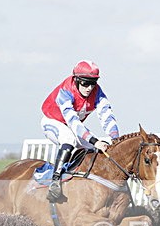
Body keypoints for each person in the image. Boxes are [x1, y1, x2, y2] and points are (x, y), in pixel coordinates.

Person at [41, 60, 120, 202]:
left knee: (94, 149)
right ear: (76, 80)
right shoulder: (65, 90)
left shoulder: (98, 93)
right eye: (85, 83)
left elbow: (107, 116)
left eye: (93, 83)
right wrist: (95, 141)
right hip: (52, 121)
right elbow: (74, 123)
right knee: (69, 139)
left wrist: (116, 138)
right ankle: (55, 180)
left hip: (72, 126)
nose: (89, 88)